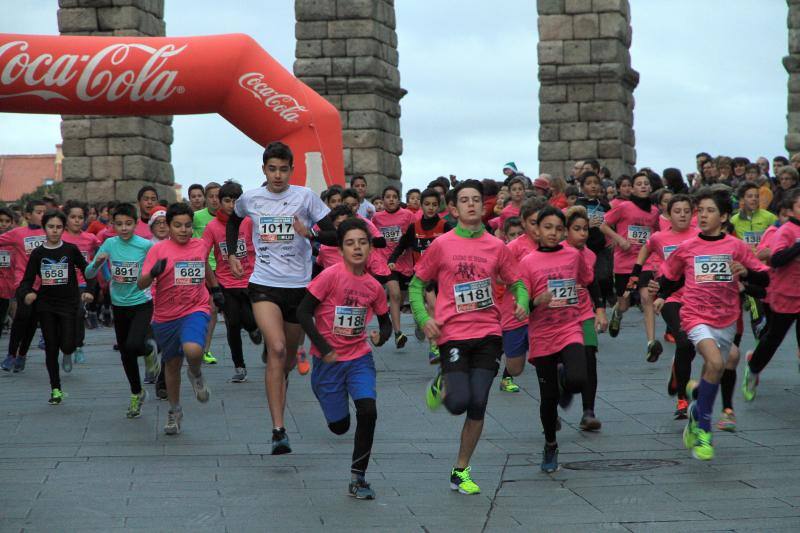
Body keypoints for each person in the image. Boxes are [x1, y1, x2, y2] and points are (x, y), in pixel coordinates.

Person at [410, 179, 529, 495]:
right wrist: (424, 319)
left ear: (483, 205)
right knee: (457, 403)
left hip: (489, 333)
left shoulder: (497, 246)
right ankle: (443, 381)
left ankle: (460, 470)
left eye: (476, 199)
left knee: (478, 404)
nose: (472, 204)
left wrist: (522, 304)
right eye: (465, 200)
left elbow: (518, 282)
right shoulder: (442, 245)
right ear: (454, 208)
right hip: (453, 334)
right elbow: (416, 284)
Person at [226, 141, 333, 454]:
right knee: (276, 347)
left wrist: (310, 233)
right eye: (271, 169)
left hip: (299, 288)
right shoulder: (251, 199)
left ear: (291, 170)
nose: (277, 175)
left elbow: (334, 234)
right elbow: (233, 219)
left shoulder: (305, 197)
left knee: (286, 358)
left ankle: (279, 368)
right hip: (264, 284)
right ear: (263, 170)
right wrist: (233, 252)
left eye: (283, 169)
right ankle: (278, 429)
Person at [655, 188, 768, 460]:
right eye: (701, 211)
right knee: (717, 363)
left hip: (727, 318)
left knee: (713, 372)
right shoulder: (687, 248)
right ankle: (704, 433)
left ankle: (696, 412)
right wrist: (658, 295)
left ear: (725, 216)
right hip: (694, 315)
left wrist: (746, 271)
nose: (703, 216)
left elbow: (764, 279)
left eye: (710, 211)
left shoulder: (735, 246)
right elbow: (669, 278)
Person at [297, 218, 392, 500]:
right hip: (328, 363)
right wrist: (323, 346)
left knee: (368, 411)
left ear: (371, 249)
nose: (357, 247)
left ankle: (358, 478)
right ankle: (323, 390)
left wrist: (381, 336)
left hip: (359, 358)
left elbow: (386, 322)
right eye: (350, 243)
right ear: (340, 250)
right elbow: (303, 312)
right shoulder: (330, 276)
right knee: (340, 427)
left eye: (363, 242)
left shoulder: (374, 287)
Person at [519, 206, 592, 472]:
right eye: (547, 227)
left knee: (577, 379)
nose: (552, 233)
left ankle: (566, 380)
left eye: (558, 229)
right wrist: (535, 301)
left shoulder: (573, 255)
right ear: (536, 230)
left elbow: (585, 278)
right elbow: (522, 302)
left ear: (564, 232)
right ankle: (550, 444)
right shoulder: (527, 262)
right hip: (542, 334)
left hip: (569, 327)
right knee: (548, 398)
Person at [139, 202, 220, 435]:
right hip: (165, 315)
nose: (183, 230)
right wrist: (153, 272)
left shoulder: (200, 245)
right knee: (172, 365)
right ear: (169, 226)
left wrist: (216, 291)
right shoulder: (158, 250)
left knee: (194, 349)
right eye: (178, 226)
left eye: (187, 225)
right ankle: (174, 411)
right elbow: (140, 283)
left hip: (195, 308)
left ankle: (195, 372)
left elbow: (205, 267)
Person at [85, 203, 160, 418]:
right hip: (119, 305)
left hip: (141, 303)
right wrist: (97, 263)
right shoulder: (109, 243)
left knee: (134, 344)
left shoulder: (145, 246)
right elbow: (89, 274)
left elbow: (157, 269)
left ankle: (148, 352)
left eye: (128, 224)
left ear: (136, 223)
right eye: (119, 224)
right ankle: (137, 393)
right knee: (126, 354)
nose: (124, 228)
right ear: (112, 225)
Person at [19, 210, 94, 405]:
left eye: (58, 227)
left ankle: (68, 352)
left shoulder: (70, 249)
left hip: (69, 303)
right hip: (46, 304)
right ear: (44, 228)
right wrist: (27, 293)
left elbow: (87, 270)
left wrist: (90, 290)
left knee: (67, 344)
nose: (54, 231)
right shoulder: (38, 253)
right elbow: (27, 280)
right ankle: (56, 389)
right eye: (51, 227)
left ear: (64, 228)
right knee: (51, 347)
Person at [640, 194, 697, 419]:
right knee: (683, 340)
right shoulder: (659, 237)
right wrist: (637, 274)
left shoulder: (699, 235)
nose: (682, 214)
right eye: (677, 211)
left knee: (689, 347)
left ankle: (677, 371)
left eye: (686, 211)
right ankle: (683, 399)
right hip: (668, 296)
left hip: (695, 297)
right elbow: (645, 249)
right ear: (668, 215)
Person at [742, 188, 800, 402]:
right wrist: (798, 247)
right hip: (785, 294)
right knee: (773, 338)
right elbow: (776, 260)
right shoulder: (786, 231)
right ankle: (753, 368)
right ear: (791, 210)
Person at [202, 181, 261, 383]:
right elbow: (202, 255)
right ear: (219, 202)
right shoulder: (212, 227)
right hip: (226, 283)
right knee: (233, 323)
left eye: (236, 200)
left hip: (252, 280)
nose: (231, 205)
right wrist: (214, 286)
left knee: (253, 320)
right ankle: (239, 366)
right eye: (227, 200)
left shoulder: (250, 222)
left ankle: (254, 329)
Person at [386, 188, 455, 362]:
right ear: (421, 206)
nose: (431, 208)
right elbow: (401, 246)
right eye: (427, 204)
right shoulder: (413, 228)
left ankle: (447, 337)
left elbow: (456, 246)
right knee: (432, 305)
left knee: (444, 309)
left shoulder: (445, 226)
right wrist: (392, 259)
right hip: (424, 275)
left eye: (434, 205)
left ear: (439, 206)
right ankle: (434, 347)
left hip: (444, 275)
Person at [601, 172, 662, 361]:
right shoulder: (623, 207)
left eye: (646, 184)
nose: (643, 186)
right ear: (632, 188)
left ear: (650, 188)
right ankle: (617, 314)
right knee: (624, 303)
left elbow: (657, 235)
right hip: (624, 263)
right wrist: (619, 239)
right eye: (639, 184)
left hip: (645, 262)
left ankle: (651, 342)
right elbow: (603, 224)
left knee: (647, 298)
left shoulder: (654, 212)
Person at [564, 206, 608, 431]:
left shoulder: (589, 254)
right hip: (558, 317)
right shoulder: (557, 250)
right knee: (567, 368)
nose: (582, 234)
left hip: (583, 313)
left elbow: (592, 282)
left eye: (585, 230)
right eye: (576, 229)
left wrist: (600, 309)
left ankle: (588, 412)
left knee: (589, 358)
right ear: (565, 231)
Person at [498, 198, 546, 393]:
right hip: (516, 312)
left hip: (545, 313)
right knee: (516, 367)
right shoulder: (515, 247)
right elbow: (498, 276)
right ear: (524, 222)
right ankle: (504, 372)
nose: (538, 228)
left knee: (550, 359)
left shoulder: (552, 245)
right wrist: (519, 280)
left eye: (542, 222)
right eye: (533, 223)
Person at [0, 200, 46, 373]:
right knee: (22, 316)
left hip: (44, 283)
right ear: (28, 215)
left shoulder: (51, 232)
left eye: (44, 212)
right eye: (38, 212)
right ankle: (11, 354)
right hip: (23, 282)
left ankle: (22, 354)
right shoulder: (17, 233)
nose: (42, 215)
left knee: (33, 321)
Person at [373, 186, 416, 349]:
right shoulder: (376, 218)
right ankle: (398, 333)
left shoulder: (408, 215)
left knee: (405, 297)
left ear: (399, 200)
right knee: (395, 295)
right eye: (388, 197)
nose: (391, 199)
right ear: (382, 200)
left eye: (394, 197)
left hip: (405, 263)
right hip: (387, 263)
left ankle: (419, 324)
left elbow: (413, 237)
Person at [61, 200, 101, 367]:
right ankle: (66, 350)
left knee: (78, 314)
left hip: (82, 283)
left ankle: (78, 347)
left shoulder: (90, 238)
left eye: (80, 217)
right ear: (66, 218)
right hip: (62, 284)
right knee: (64, 319)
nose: (77, 220)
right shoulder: (59, 236)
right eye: (73, 217)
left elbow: (102, 251)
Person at [192, 182, 222, 365]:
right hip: (199, 267)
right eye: (210, 196)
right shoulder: (196, 217)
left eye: (218, 196)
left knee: (213, 309)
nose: (214, 199)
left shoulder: (227, 218)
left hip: (221, 268)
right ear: (205, 198)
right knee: (201, 309)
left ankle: (206, 349)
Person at [576, 171, 614, 306]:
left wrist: (613, 238)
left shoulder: (604, 204)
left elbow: (613, 223)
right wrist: (587, 224)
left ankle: (602, 303)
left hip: (601, 246)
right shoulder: (578, 204)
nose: (593, 186)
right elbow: (572, 225)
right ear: (582, 186)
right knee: (587, 278)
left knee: (603, 276)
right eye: (588, 183)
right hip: (584, 246)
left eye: (596, 183)